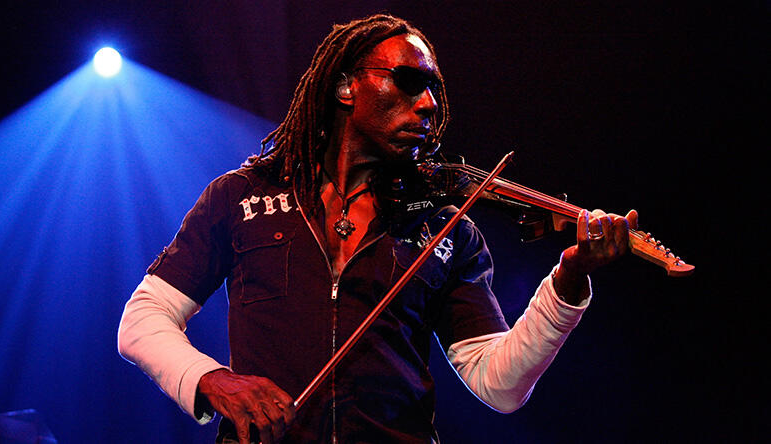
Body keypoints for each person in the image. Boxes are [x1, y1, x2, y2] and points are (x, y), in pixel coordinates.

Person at [118, 14, 637, 444]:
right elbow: (143, 319)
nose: (428, 103)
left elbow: (498, 385)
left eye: (433, 90)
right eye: (409, 81)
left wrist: (568, 282)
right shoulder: (242, 197)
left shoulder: (445, 228)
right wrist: (212, 380)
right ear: (346, 86)